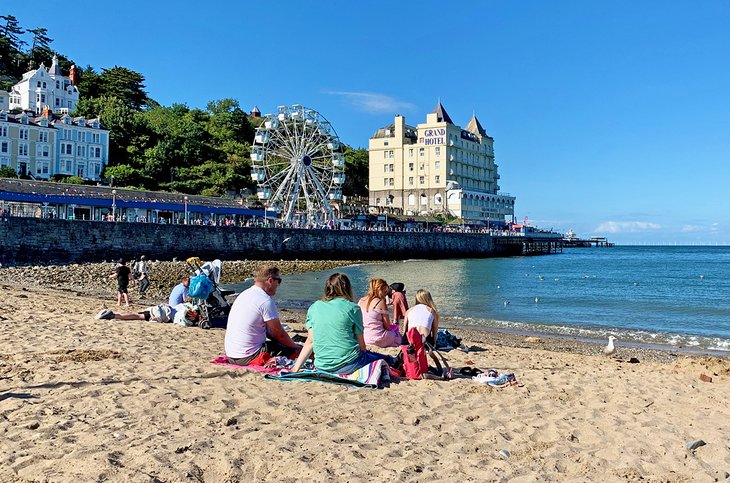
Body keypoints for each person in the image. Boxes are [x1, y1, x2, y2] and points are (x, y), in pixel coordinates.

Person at [291, 273, 395, 373]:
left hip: (322, 365)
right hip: (349, 364)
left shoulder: (314, 307)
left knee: (372, 355)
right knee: (383, 358)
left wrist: (295, 368)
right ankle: (394, 361)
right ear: (347, 288)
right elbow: (362, 346)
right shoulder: (352, 308)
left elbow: (310, 341)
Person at [224, 264, 301, 365]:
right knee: (295, 352)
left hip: (232, 355)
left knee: (280, 345)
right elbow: (279, 335)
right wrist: (296, 347)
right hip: (248, 356)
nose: (278, 285)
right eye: (279, 281)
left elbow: (271, 333)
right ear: (270, 280)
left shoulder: (243, 295)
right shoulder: (265, 301)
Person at [358, 278, 401, 348]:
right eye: (384, 292)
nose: (385, 295)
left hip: (364, 338)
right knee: (397, 335)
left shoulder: (360, 301)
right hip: (378, 338)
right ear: (379, 289)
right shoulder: (380, 302)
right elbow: (387, 326)